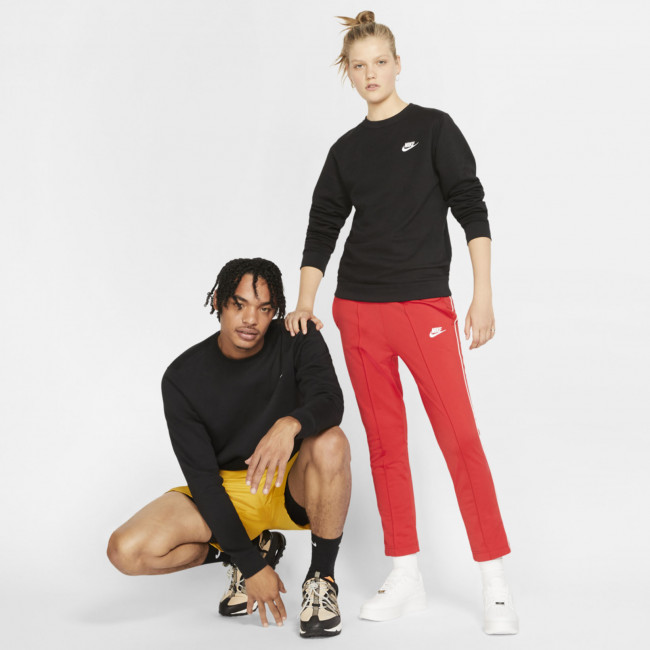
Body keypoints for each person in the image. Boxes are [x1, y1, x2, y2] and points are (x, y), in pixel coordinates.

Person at [284, 11, 518, 635]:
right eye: (359, 66)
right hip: (358, 311)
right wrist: (306, 300)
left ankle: (494, 580)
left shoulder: (434, 128)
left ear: (397, 64)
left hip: (423, 307)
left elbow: (471, 207)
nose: (371, 75)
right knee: (386, 446)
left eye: (380, 63)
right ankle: (405, 573)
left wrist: (483, 295)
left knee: (459, 439)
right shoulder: (345, 150)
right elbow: (322, 227)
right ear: (349, 72)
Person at [107, 257, 351, 639]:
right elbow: (204, 482)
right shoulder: (182, 378)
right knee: (126, 550)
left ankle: (321, 579)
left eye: (264, 308)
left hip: (290, 482)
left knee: (332, 440)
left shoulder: (297, 338)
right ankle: (252, 549)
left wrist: (289, 424)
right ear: (219, 301)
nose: (251, 319)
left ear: (276, 311)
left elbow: (331, 401)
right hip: (227, 492)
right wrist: (251, 565)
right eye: (240, 305)